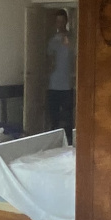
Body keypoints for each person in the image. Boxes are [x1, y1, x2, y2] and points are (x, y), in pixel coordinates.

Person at [45, 9, 74, 137]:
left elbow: (76, 57)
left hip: (67, 85)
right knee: (54, 117)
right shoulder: (52, 40)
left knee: (67, 118)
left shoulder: (72, 39)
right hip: (53, 85)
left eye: (62, 21)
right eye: (57, 21)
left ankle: (68, 141)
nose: (60, 24)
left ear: (66, 21)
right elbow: (49, 61)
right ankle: (54, 141)